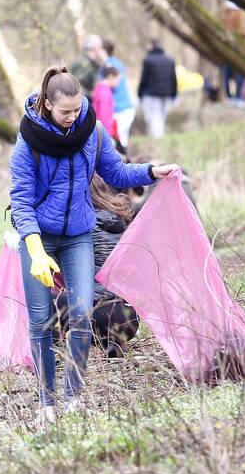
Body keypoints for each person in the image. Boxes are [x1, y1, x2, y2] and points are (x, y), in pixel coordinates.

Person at [9, 66, 177, 423]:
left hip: (77, 237)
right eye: (65, 112)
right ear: (47, 104)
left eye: (77, 109)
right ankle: (46, 403)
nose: (73, 118)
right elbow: (21, 199)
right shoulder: (29, 139)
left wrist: (150, 172)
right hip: (39, 238)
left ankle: (73, 397)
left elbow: (114, 173)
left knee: (82, 313)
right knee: (40, 322)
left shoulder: (92, 130)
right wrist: (34, 249)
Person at [54, 177, 140, 359]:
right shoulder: (119, 220)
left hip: (98, 313)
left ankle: (53, 358)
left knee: (43, 302)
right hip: (129, 315)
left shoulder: (78, 225)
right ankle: (113, 351)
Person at [137, 40, 178, 138]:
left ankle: (157, 137)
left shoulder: (148, 60)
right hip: (167, 93)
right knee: (161, 115)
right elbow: (174, 78)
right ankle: (159, 135)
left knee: (154, 116)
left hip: (151, 93)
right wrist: (174, 94)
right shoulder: (170, 60)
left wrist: (140, 93)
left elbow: (144, 78)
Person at [102, 39, 136, 149]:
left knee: (119, 139)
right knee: (122, 138)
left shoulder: (109, 66)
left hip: (120, 108)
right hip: (125, 107)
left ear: (103, 51)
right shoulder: (117, 63)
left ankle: (124, 162)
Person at [92, 66, 121, 147]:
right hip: (103, 131)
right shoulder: (104, 92)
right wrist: (107, 134)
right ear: (111, 76)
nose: (118, 82)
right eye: (117, 79)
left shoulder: (100, 88)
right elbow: (104, 114)